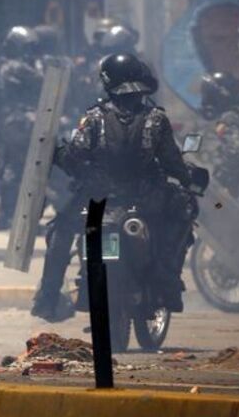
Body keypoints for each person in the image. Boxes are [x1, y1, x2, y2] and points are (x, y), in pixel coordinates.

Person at [32, 53, 202, 320]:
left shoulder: (93, 117)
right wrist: (187, 177)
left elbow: (75, 157)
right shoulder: (156, 119)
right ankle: (167, 283)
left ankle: (48, 299)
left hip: (97, 198)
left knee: (58, 232)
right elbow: (172, 162)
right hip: (145, 197)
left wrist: (55, 152)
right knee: (184, 212)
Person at [0, 26, 43, 231]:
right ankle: (20, 220)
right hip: (20, 122)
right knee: (25, 169)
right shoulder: (16, 67)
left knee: (11, 167)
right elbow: (42, 80)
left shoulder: (2, 66)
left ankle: (5, 216)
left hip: (9, 121)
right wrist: (40, 64)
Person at [199, 72, 239, 199]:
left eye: (208, 95)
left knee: (219, 208)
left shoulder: (229, 118)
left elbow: (234, 151)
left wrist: (222, 181)